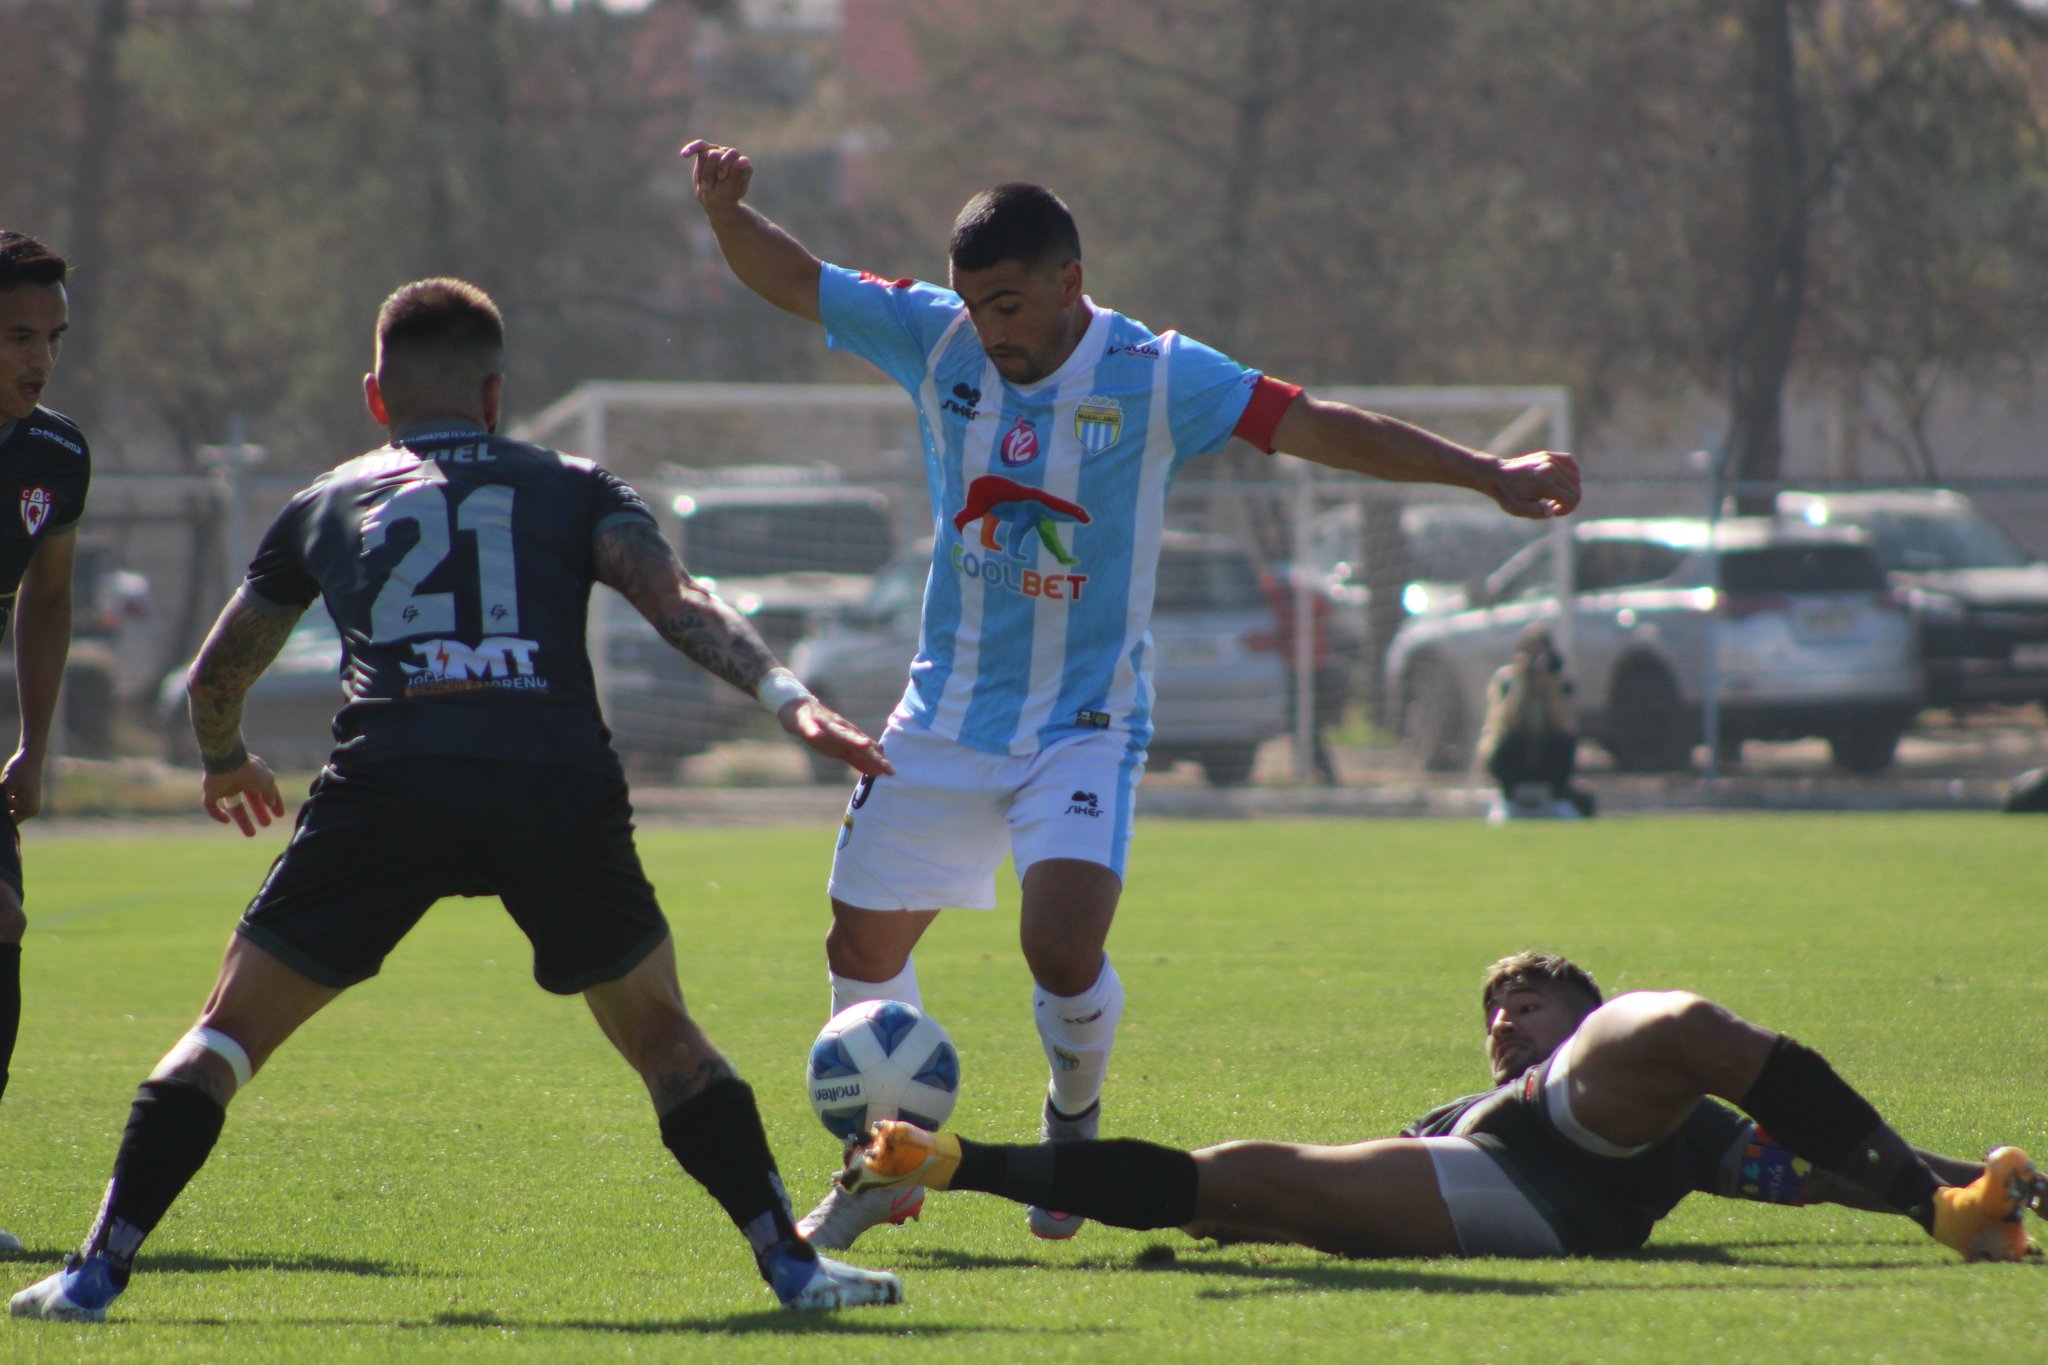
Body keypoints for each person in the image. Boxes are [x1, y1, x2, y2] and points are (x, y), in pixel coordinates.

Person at [680, 139, 1583, 1249]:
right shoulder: (937, 338)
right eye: (974, 304)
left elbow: (1318, 426)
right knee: (859, 952)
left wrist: (1486, 475)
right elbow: (794, 278)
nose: (991, 330)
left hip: (1083, 719)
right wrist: (728, 214)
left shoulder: (1159, 374)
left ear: (1068, 282)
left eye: (1007, 303)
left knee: (1058, 945)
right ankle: (883, 1168)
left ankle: (1071, 1134)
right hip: (944, 713)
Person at [10, 279, 907, 1323]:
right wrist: (787, 699)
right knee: (665, 1038)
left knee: (222, 1038)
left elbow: (216, 675)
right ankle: (792, 1268)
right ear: (494, 397)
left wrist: (226, 760)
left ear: (375, 398)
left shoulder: (330, 499)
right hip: (550, 777)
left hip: (392, 780)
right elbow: (677, 600)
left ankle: (94, 1273)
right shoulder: (572, 483)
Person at [833, 950, 2043, 1264]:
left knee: (1681, 1026)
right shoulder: (1462, 1108)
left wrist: (1968, 1186)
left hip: (1596, 1151)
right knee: (1241, 1176)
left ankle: (1942, 1215)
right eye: (1495, 1008)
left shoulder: (1666, 1095)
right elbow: (1261, 1205)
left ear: (1582, 1005)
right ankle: (947, 1163)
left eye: (1533, 999)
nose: (1506, 1017)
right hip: (1508, 1193)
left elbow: (1820, 1168)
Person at [0, 232, 91, 1256]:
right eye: (19, 336)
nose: (39, 359)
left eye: (53, 339)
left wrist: (33, 743)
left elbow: (50, 595)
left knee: (4, 926)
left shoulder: (54, 453)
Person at [1476, 623, 1590, 820]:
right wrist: (1519, 685)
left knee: (1563, 743)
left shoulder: (1559, 683)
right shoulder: (1505, 681)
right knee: (1508, 742)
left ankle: (1557, 799)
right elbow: (1504, 724)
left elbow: (1564, 726)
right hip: (1515, 755)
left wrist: (1550, 687)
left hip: (1547, 758)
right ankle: (1509, 798)